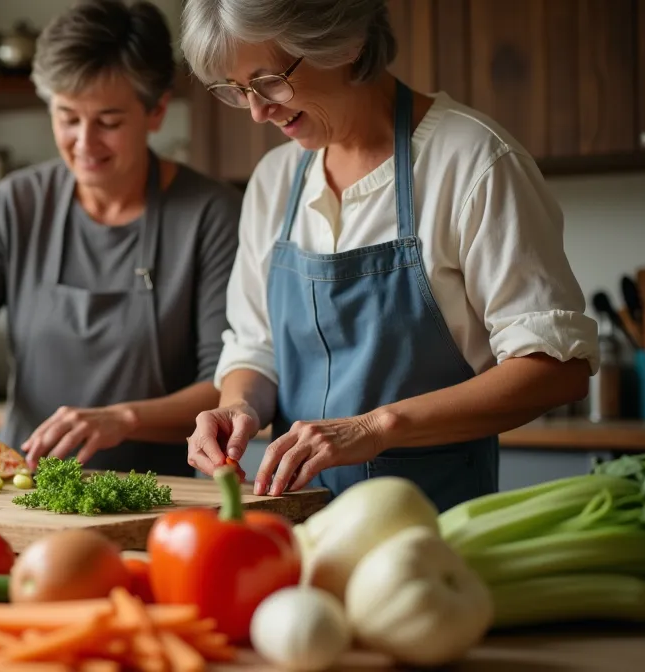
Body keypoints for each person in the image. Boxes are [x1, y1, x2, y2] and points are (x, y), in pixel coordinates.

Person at [180, 0, 600, 512]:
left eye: (268, 79)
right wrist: (237, 405)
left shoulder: (472, 162)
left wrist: (376, 428)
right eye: (237, 89)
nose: (257, 110)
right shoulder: (274, 181)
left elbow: (557, 367)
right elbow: (255, 347)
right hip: (292, 531)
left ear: (345, 43)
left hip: (431, 531)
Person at [0, 0, 243, 477]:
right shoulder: (16, 204)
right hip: (19, 485)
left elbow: (224, 383)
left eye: (109, 122)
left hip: (155, 493)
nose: (84, 142)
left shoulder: (211, 215)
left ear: (156, 110)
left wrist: (122, 418)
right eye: (67, 117)